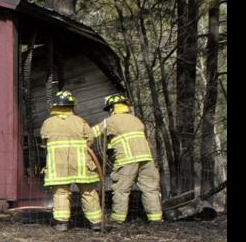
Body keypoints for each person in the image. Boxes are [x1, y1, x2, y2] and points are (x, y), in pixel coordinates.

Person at [39, 89, 103, 232]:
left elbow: (44, 140)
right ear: (71, 106)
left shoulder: (48, 123)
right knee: (88, 192)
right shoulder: (80, 121)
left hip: (58, 166)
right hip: (81, 165)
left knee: (61, 193)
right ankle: (96, 224)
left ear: (55, 106)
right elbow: (90, 139)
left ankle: (62, 224)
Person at [94, 93, 163, 225]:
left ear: (112, 108)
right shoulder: (136, 120)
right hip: (146, 158)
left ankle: (117, 219)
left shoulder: (110, 121)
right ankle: (156, 219)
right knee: (150, 188)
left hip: (127, 159)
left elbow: (92, 133)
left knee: (121, 189)